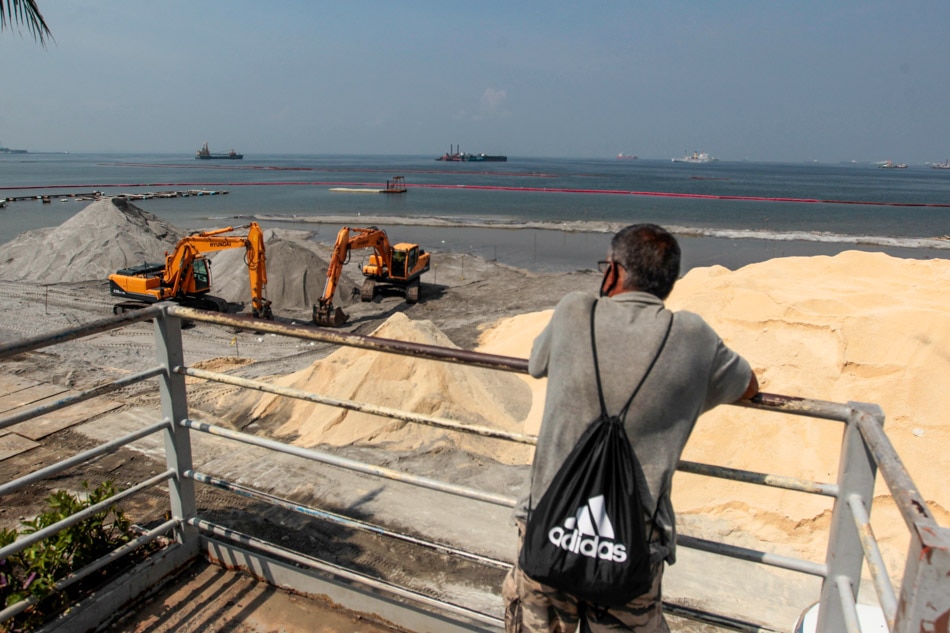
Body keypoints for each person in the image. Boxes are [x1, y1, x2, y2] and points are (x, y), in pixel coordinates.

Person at [503, 223, 759, 632]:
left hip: (548, 528)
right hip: (632, 544)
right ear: (668, 281)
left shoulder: (575, 310)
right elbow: (748, 385)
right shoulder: (694, 336)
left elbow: (537, 363)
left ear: (616, 272)